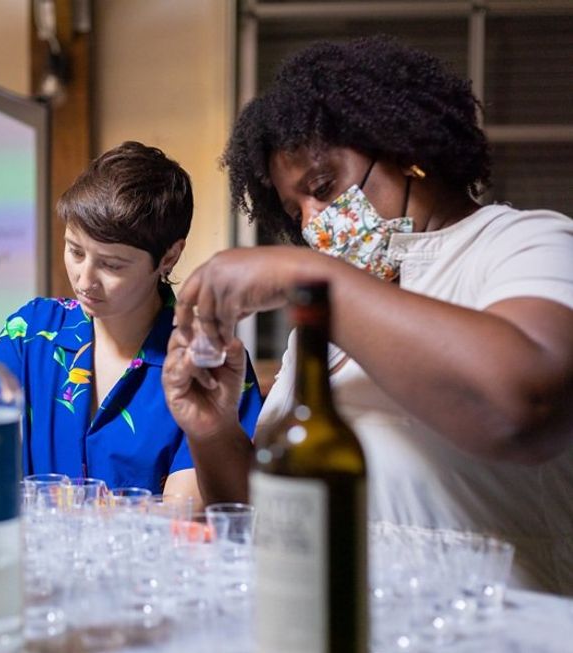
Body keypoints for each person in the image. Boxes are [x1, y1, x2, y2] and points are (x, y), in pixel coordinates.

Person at [161, 36, 573, 594]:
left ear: (404, 149)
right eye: (294, 212)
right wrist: (213, 430)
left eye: (323, 187)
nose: (312, 225)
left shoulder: (527, 242)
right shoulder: (329, 316)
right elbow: (276, 520)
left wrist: (307, 276)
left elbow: (523, 406)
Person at [0, 141, 264, 502]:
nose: (85, 279)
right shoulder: (30, 335)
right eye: (75, 251)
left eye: (112, 265)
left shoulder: (205, 361)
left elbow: (182, 518)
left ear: (169, 256)